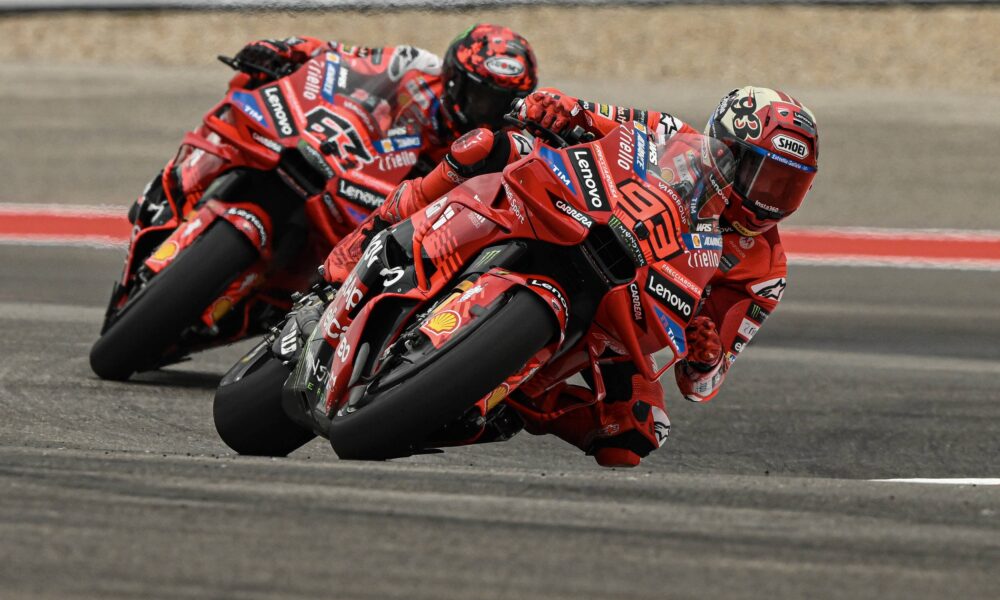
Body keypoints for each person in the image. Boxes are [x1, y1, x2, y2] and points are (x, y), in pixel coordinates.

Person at [324, 86, 819, 468]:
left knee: (639, 431)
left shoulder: (766, 271)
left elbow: (702, 385)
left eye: (789, 188)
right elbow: (590, 115)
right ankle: (373, 239)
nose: (770, 202)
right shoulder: (670, 134)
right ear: (727, 147)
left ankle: (507, 397)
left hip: (630, 316)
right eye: (766, 178)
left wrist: (707, 355)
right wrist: (555, 108)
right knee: (490, 148)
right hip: (580, 221)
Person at [231, 23, 538, 173]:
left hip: (393, 218)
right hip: (346, 162)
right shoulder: (416, 66)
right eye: (480, 97)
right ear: (454, 78)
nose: (487, 111)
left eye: (502, 103)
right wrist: (287, 49)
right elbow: (339, 56)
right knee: (250, 85)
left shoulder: (510, 147)